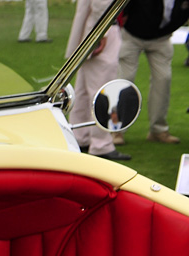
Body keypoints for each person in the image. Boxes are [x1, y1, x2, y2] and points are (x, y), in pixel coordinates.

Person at [115, 0, 189, 145]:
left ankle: (158, 130)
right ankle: (116, 130)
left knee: (164, 79)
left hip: (162, 38)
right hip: (132, 35)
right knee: (125, 81)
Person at [65, 0, 128, 160]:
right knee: (103, 89)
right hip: (101, 28)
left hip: (90, 28)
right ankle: (101, 144)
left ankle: (81, 136)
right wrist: (103, 34)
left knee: (84, 90)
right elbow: (101, 5)